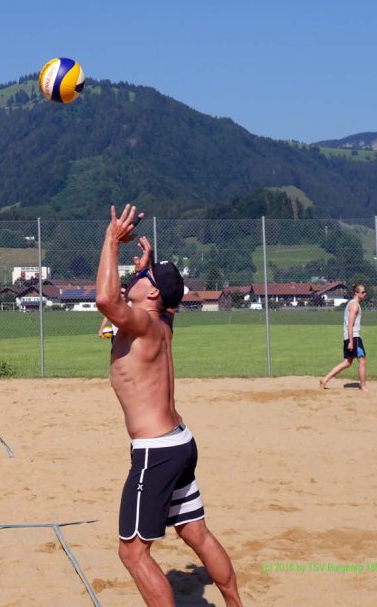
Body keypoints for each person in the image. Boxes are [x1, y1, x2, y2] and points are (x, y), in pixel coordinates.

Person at [96, 204, 243, 607]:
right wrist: (145, 268)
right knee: (195, 532)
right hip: (180, 442)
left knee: (133, 552)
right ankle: (235, 603)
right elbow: (137, 300)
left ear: (154, 293)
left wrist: (111, 241)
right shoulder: (163, 323)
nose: (134, 280)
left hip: (156, 452)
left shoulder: (143, 323)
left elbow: (106, 301)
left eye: (141, 278)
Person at [320, 283, 369, 392]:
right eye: (362, 292)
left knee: (347, 362)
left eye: (365, 292)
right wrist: (351, 342)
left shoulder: (352, 304)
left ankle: (325, 379)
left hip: (350, 337)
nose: (365, 294)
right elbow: (350, 324)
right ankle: (364, 387)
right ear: (356, 293)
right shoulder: (354, 305)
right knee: (362, 361)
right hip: (354, 337)